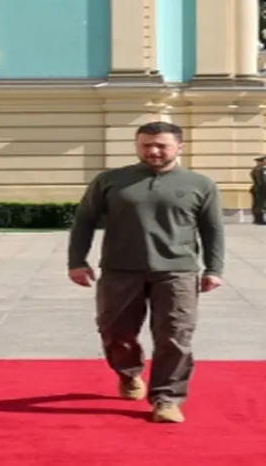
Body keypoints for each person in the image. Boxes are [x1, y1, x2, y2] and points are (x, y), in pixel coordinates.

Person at [68, 121, 224, 424]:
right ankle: (128, 373)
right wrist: (76, 260)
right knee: (115, 332)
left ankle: (167, 398)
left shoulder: (200, 184)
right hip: (120, 269)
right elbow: (84, 221)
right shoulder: (111, 181)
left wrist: (214, 268)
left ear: (179, 146)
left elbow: (213, 229)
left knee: (175, 336)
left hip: (177, 271)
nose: (152, 151)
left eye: (161, 145)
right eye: (145, 145)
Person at [250, 155, 266, 225]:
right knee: (259, 204)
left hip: (257, 189)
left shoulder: (255, 169)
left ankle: (257, 219)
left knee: (257, 204)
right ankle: (259, 220)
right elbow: (261, 181)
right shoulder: (260, 169)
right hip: (260, 189)